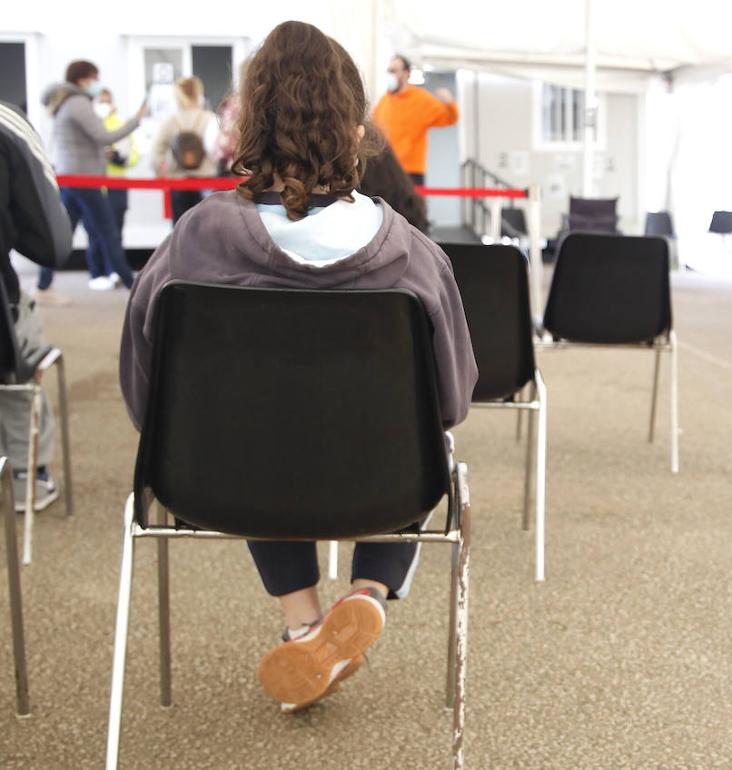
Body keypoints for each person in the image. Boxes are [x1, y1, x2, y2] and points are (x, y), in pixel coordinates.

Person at [119, 20, 477, 713]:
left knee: (254, 421)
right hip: (381, 482)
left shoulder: (194, 240)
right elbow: (452, 400)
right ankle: (368, 592)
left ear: (249, 124)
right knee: (421, 441)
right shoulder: (410, 252)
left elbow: (145, 393)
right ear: (355, 129)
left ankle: (304, 622)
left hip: (227, 479)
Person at [0, 100, 72, 510]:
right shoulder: (7, 123)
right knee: (19, 351)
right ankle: (29, 475)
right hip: (3, 318)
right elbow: (53, 244)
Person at [40, 60, 142, 293]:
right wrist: (135, 121)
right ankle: (133, 286)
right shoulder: (78, 103)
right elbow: (103, 136)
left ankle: (43, 284)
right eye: (95, 78)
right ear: (83, 78)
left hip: (71, 178)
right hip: (85, 180)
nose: (97, 83)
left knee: (64, 232)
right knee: (108, 232)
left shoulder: (65, 102)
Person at [372, 55, 458, 186]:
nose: (390, 74)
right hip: (385, 171)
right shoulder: (384, 101)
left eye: (394, 71)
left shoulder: (421, 99)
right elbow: (374, 131)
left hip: (411, 172)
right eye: (389, 71)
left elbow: (450, 118)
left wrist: (450, 103)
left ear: (406, 73)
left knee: (411, 206)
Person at [151, 76, 220, 223]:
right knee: (206, 227)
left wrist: (160, 171)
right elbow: (218, 150)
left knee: (180, 228)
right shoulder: (210, 118)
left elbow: (157, 150)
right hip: (206, 179)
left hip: (178, 180)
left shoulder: (171, 120)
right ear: (198, 93)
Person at [97, 89, 139, 245]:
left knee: (116, 230)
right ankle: (96, 269)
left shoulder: (120, 124)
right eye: (101, 101)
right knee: (96, 231)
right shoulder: (90, 124)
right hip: (95, 184)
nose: (104, 105)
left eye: (107, 101)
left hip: (117, 183)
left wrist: (118, 157)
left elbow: (134, 154)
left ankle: (113, 268)